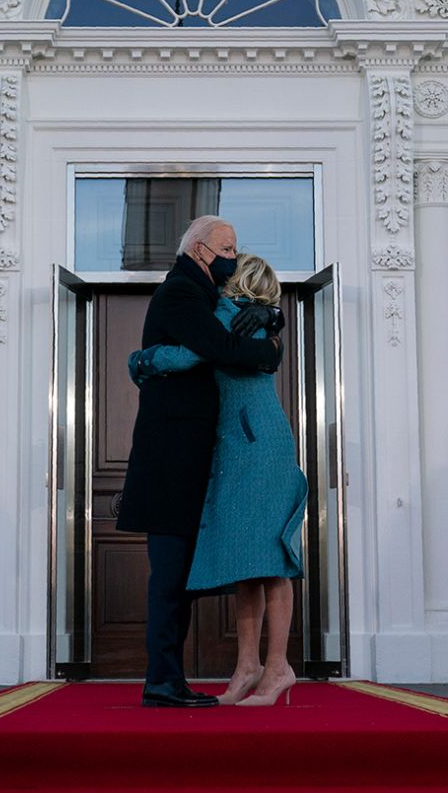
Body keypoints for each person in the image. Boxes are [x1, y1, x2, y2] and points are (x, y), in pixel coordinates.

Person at [116, 217, 283, 708]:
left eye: (236, 245)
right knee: (170, 577)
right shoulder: (181, 294)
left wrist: (271, 318)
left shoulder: (204, 293)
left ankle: (168, 679)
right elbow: (220, 347)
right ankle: (161, 682)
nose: (234, 254)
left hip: (193, 462)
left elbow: (236, 319)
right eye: (227, 247)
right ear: (200, 250)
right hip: (171, 462)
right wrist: (267, 349)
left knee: (181, 579)